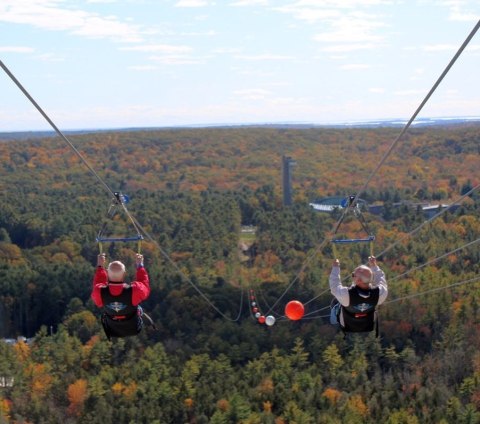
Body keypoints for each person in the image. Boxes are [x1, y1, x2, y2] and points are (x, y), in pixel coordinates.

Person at [92, 253, 151, 340]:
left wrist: (100, 267)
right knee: (137, 305)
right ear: (124, 274)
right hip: (133, 327)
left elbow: (97, 284)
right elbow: (145, 286)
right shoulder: (135, 290)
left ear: (108, 273)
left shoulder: (99, 292)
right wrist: (140, 266)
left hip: (112, 328)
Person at [329, 256, 387, 335]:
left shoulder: (346, 295)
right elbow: (381, 280)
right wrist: (374, 266)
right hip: (367, 324)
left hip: (347, 324)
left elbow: (334, 286)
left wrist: (335, 268)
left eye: (353, 275)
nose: (352, 276)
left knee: (335, 301)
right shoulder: (380, 294)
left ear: (359, 280)